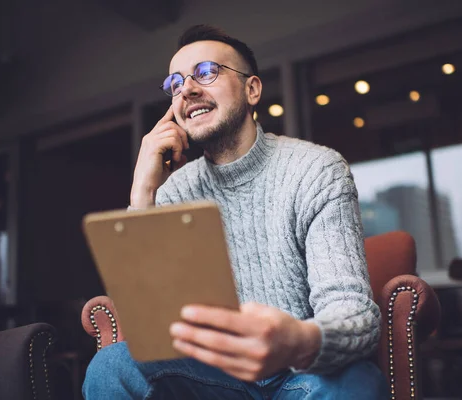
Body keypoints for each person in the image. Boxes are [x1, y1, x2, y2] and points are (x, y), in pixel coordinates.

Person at [83, 24, 387, 399]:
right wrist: (143, 193)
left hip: (302, 374)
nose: (188, 90)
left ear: (252, 89)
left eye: (206, 72)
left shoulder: (316, 170)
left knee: (358, 382)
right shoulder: (174, 189)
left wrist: (297, 340)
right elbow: (146, 326)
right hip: (213, 380)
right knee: (111, 366)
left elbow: (354, 313)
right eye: (175, 84)